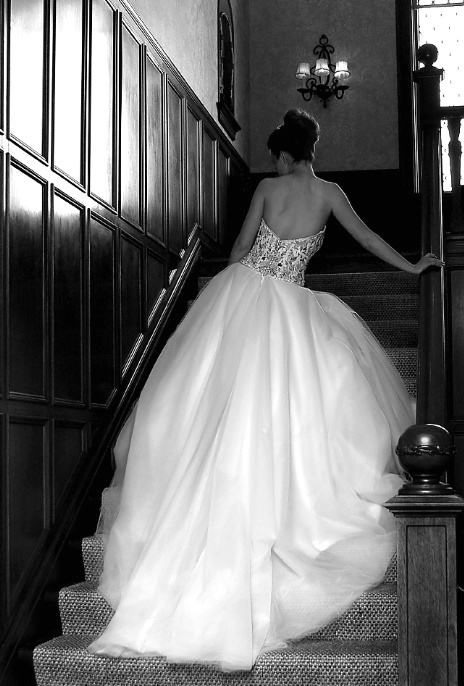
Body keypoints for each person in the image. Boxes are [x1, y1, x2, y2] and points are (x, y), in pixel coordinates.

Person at [88, 109, 443, 671]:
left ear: (281, 155)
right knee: (309, 404)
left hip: (248, 294)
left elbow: (238, 253)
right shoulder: (329, 192)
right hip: (297, 306)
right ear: (311, 153)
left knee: (209, 401)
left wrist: (234, 290)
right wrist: (412, 265)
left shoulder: (267, 187)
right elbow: (369, 236)